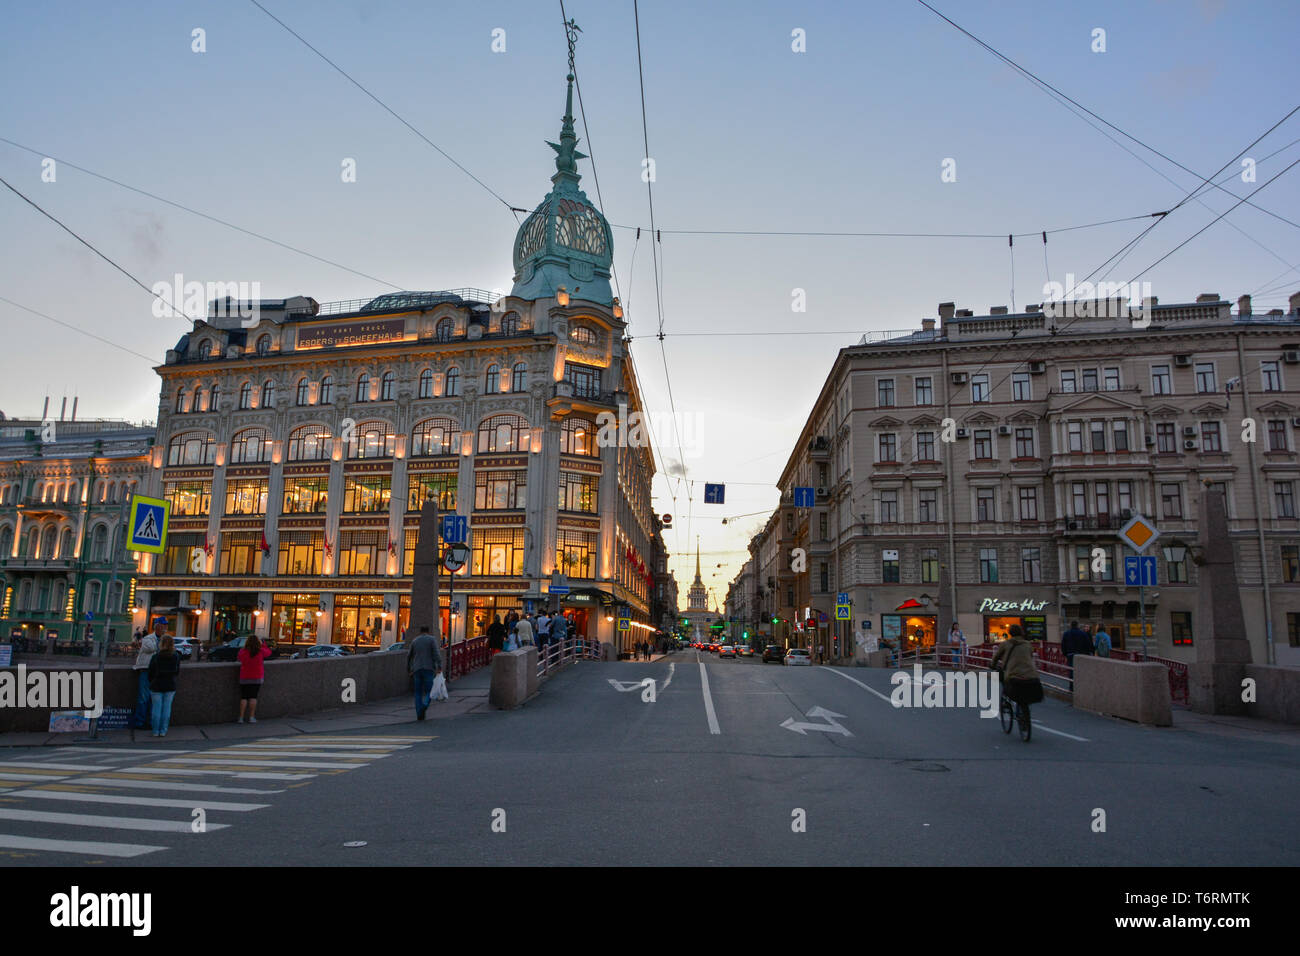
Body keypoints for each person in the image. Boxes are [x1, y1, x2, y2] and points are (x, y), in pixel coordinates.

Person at [990, 624, 1042, 709]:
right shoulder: (1028, 644)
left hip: (1013, 676)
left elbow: (996, 657)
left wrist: (992, 665)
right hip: (1032, 676)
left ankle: (1007, 697)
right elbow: (1030, 656)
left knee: (1003, 678)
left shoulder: (1005, 644)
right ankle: (1025, 715)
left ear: (1010, 633)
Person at [132, 617, 164, 730]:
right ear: (156, 627)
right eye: (161, 626)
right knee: (143, 697)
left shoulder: (162, 639)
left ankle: (151, 722)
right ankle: (139, 722)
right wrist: (164, 645)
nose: (163, 628)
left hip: (157, 671)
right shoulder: (148, 638)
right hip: (146, 669)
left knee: (154, 698)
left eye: (164, 626)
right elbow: (152, 648)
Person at [147, 635, 181, 737]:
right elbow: (177, 672)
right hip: (170, 685)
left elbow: (150, 672)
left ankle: (155, 731)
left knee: (156, 709)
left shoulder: (156, 657)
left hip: (156, 685)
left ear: (161, 644)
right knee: (167, 709)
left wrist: (152, 681)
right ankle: (163, 730)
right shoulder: (176, 656)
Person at [407, 625, 443, 721]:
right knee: (429, 691)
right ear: (428, 631)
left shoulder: (415, 641)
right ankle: (425, 705)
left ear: (420, 631)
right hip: (428, 668)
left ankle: (419, 713)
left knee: (418, 692)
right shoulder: (432, 640)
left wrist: (409, 669)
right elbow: (436, 653)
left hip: (417, 669)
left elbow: (409, 656)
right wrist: (439, 666)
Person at [237, 634, 273, 723]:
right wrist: (263, 644)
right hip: (256, 677)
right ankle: (251, 717)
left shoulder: (243, 651)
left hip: (244, 676)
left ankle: (241, 717)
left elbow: (239, 658)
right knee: (253, 697)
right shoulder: (260, 651)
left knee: (244, 697)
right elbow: (269, 652)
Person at [1061, 619, 1092, 689]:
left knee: (1071, 670)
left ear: (1071, 625)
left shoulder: (1066, 633)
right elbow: (1088, 644)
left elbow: (1063, 645)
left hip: (1070, 654)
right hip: (1081, 655)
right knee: (1081, 670)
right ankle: (1081, 686)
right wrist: (1087, 653)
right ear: (1077, 625)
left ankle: (1072, 686)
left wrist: (1065, 654)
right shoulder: (1083, 633)